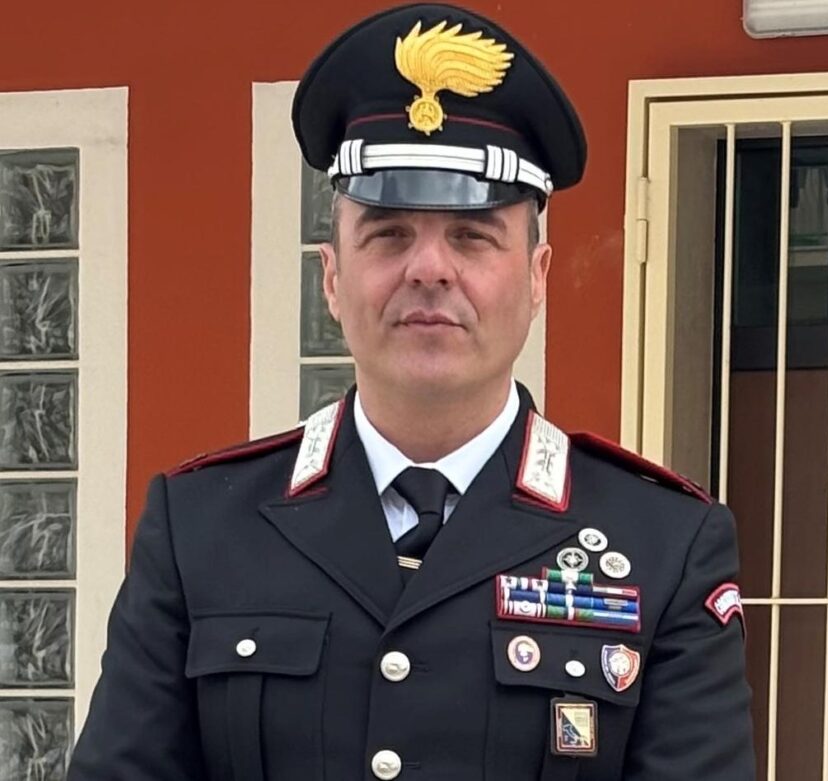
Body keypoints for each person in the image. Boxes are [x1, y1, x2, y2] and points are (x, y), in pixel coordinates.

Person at [68, 3, 754, 779]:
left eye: (472, 236)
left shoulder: (663, 546)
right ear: (331, 277)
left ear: (537, 278)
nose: (429, 269)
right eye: (389, 233)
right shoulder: (200, 529)